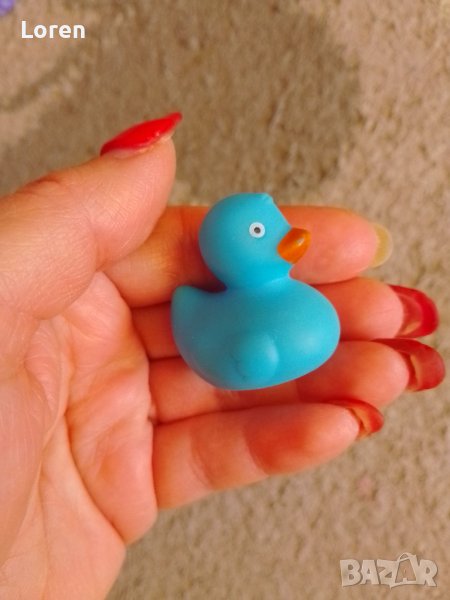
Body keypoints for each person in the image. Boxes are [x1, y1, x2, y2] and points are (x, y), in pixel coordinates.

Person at [0, 113, 444, 598]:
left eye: (273, 228)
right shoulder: (251, 321)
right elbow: (241, 356)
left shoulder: (290, 304)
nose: (289, 236)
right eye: (262, 231)